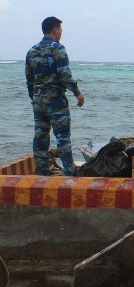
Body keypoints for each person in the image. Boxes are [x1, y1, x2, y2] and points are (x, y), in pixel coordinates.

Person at [25, 17, 85, 176]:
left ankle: (41, 172)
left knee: (40, 136)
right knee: (63, 138)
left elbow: (29, 80)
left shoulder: (31, 51)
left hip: (38, 101)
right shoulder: (57, 48)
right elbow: (65, 76)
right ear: (55, 29)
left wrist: (34, 98)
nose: (61, 33)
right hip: (55, 101)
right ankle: (69, 173)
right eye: (60, 30)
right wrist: (77, 93)